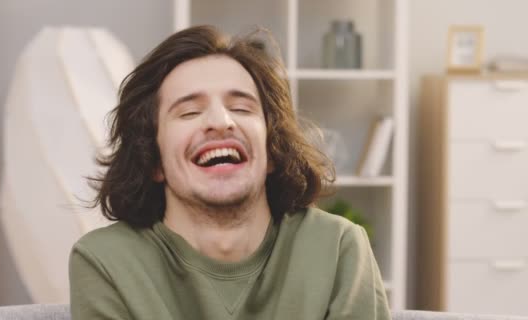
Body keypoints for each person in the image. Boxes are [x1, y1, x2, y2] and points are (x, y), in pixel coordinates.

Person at [69, 25, 391, 320]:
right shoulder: (105, 262)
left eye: (241, 108)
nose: (221, 121)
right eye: (189, 111)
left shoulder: (338, 248)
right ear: (153, 160)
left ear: (272, 152)